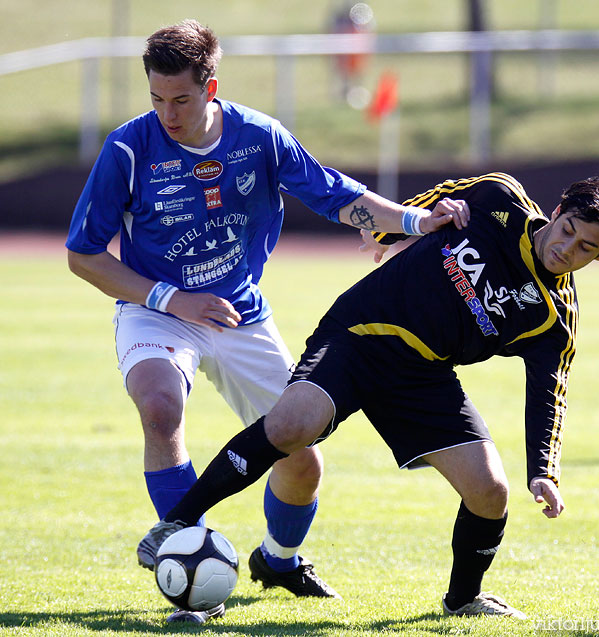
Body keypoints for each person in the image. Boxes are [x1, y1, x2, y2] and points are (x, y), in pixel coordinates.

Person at [65, 19, 468, 625]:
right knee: (159, 407)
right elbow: (83, 254)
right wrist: (171, 299)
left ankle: (279, 558)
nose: (167, 115)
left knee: (301, 454)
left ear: (210, 87)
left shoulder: (258, 137)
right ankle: (190, 572)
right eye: (156, 99)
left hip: (242, 314)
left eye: (180, 99)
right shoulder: (128, 148)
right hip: (158, 310)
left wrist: (415, 222)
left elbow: (334, 193)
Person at [136, 172, 599, 620]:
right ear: (557, 213)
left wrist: (543, 471)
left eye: (585, 248)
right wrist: (392, 229)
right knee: (293, 427)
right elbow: (433, 204)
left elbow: (548, 396)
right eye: (568, 230)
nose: (567, 248)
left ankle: (463, 599)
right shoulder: (497, 197)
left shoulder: (553, 318)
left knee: (491, 494)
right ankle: (175, 522)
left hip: (422, 378)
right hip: (361, 333)